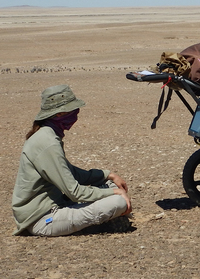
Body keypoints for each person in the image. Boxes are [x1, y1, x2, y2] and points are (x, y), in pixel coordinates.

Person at [12, 84, 132, 236]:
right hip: (42, 219)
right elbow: (74, 192)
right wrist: (116, 193)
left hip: (55, 206)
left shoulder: (47, 134)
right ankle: (100, 224)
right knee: (117, 202)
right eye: (73, 111)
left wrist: (108, 175)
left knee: (108, 184)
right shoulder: (47, 143)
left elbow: (71, 173)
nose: (76, 116)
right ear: (59, 114)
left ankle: (98, 221)